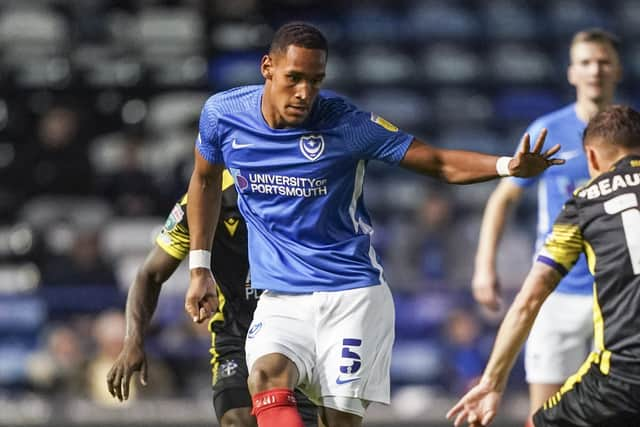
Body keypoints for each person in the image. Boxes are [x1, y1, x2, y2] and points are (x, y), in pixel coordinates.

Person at [184, 22, 563, 427]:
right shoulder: (223, 115)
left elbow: (436, 162)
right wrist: (199, 266)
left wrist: (508, 165)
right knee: (265, 377)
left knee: (336, 421)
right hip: (280, 296)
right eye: (294, 78)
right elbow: (204, 180)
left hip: (352, 297)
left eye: (315, 81)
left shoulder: (347, 124)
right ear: (267, 68)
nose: (304, 94)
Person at [448, 104, 640, 426]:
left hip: (623, 376)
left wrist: (492, 382)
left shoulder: (585, 202)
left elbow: (529, 300)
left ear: (591, 158)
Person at [471, 28, 623, 422]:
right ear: (572, 72)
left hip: (618, 294)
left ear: (617, 69)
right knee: (545, 412)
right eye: (586, 62)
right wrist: (484, 267)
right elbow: (503, 197)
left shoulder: (631, 134)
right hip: (557, 291)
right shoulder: (548, 131)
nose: (596, 70)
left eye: (603, 61)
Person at [105, 175, 317, 426]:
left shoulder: (298, 190)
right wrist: (133, 341)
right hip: (236, 337)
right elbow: (149, 274)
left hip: (299, 335)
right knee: (236, 418)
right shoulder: (197, 205)